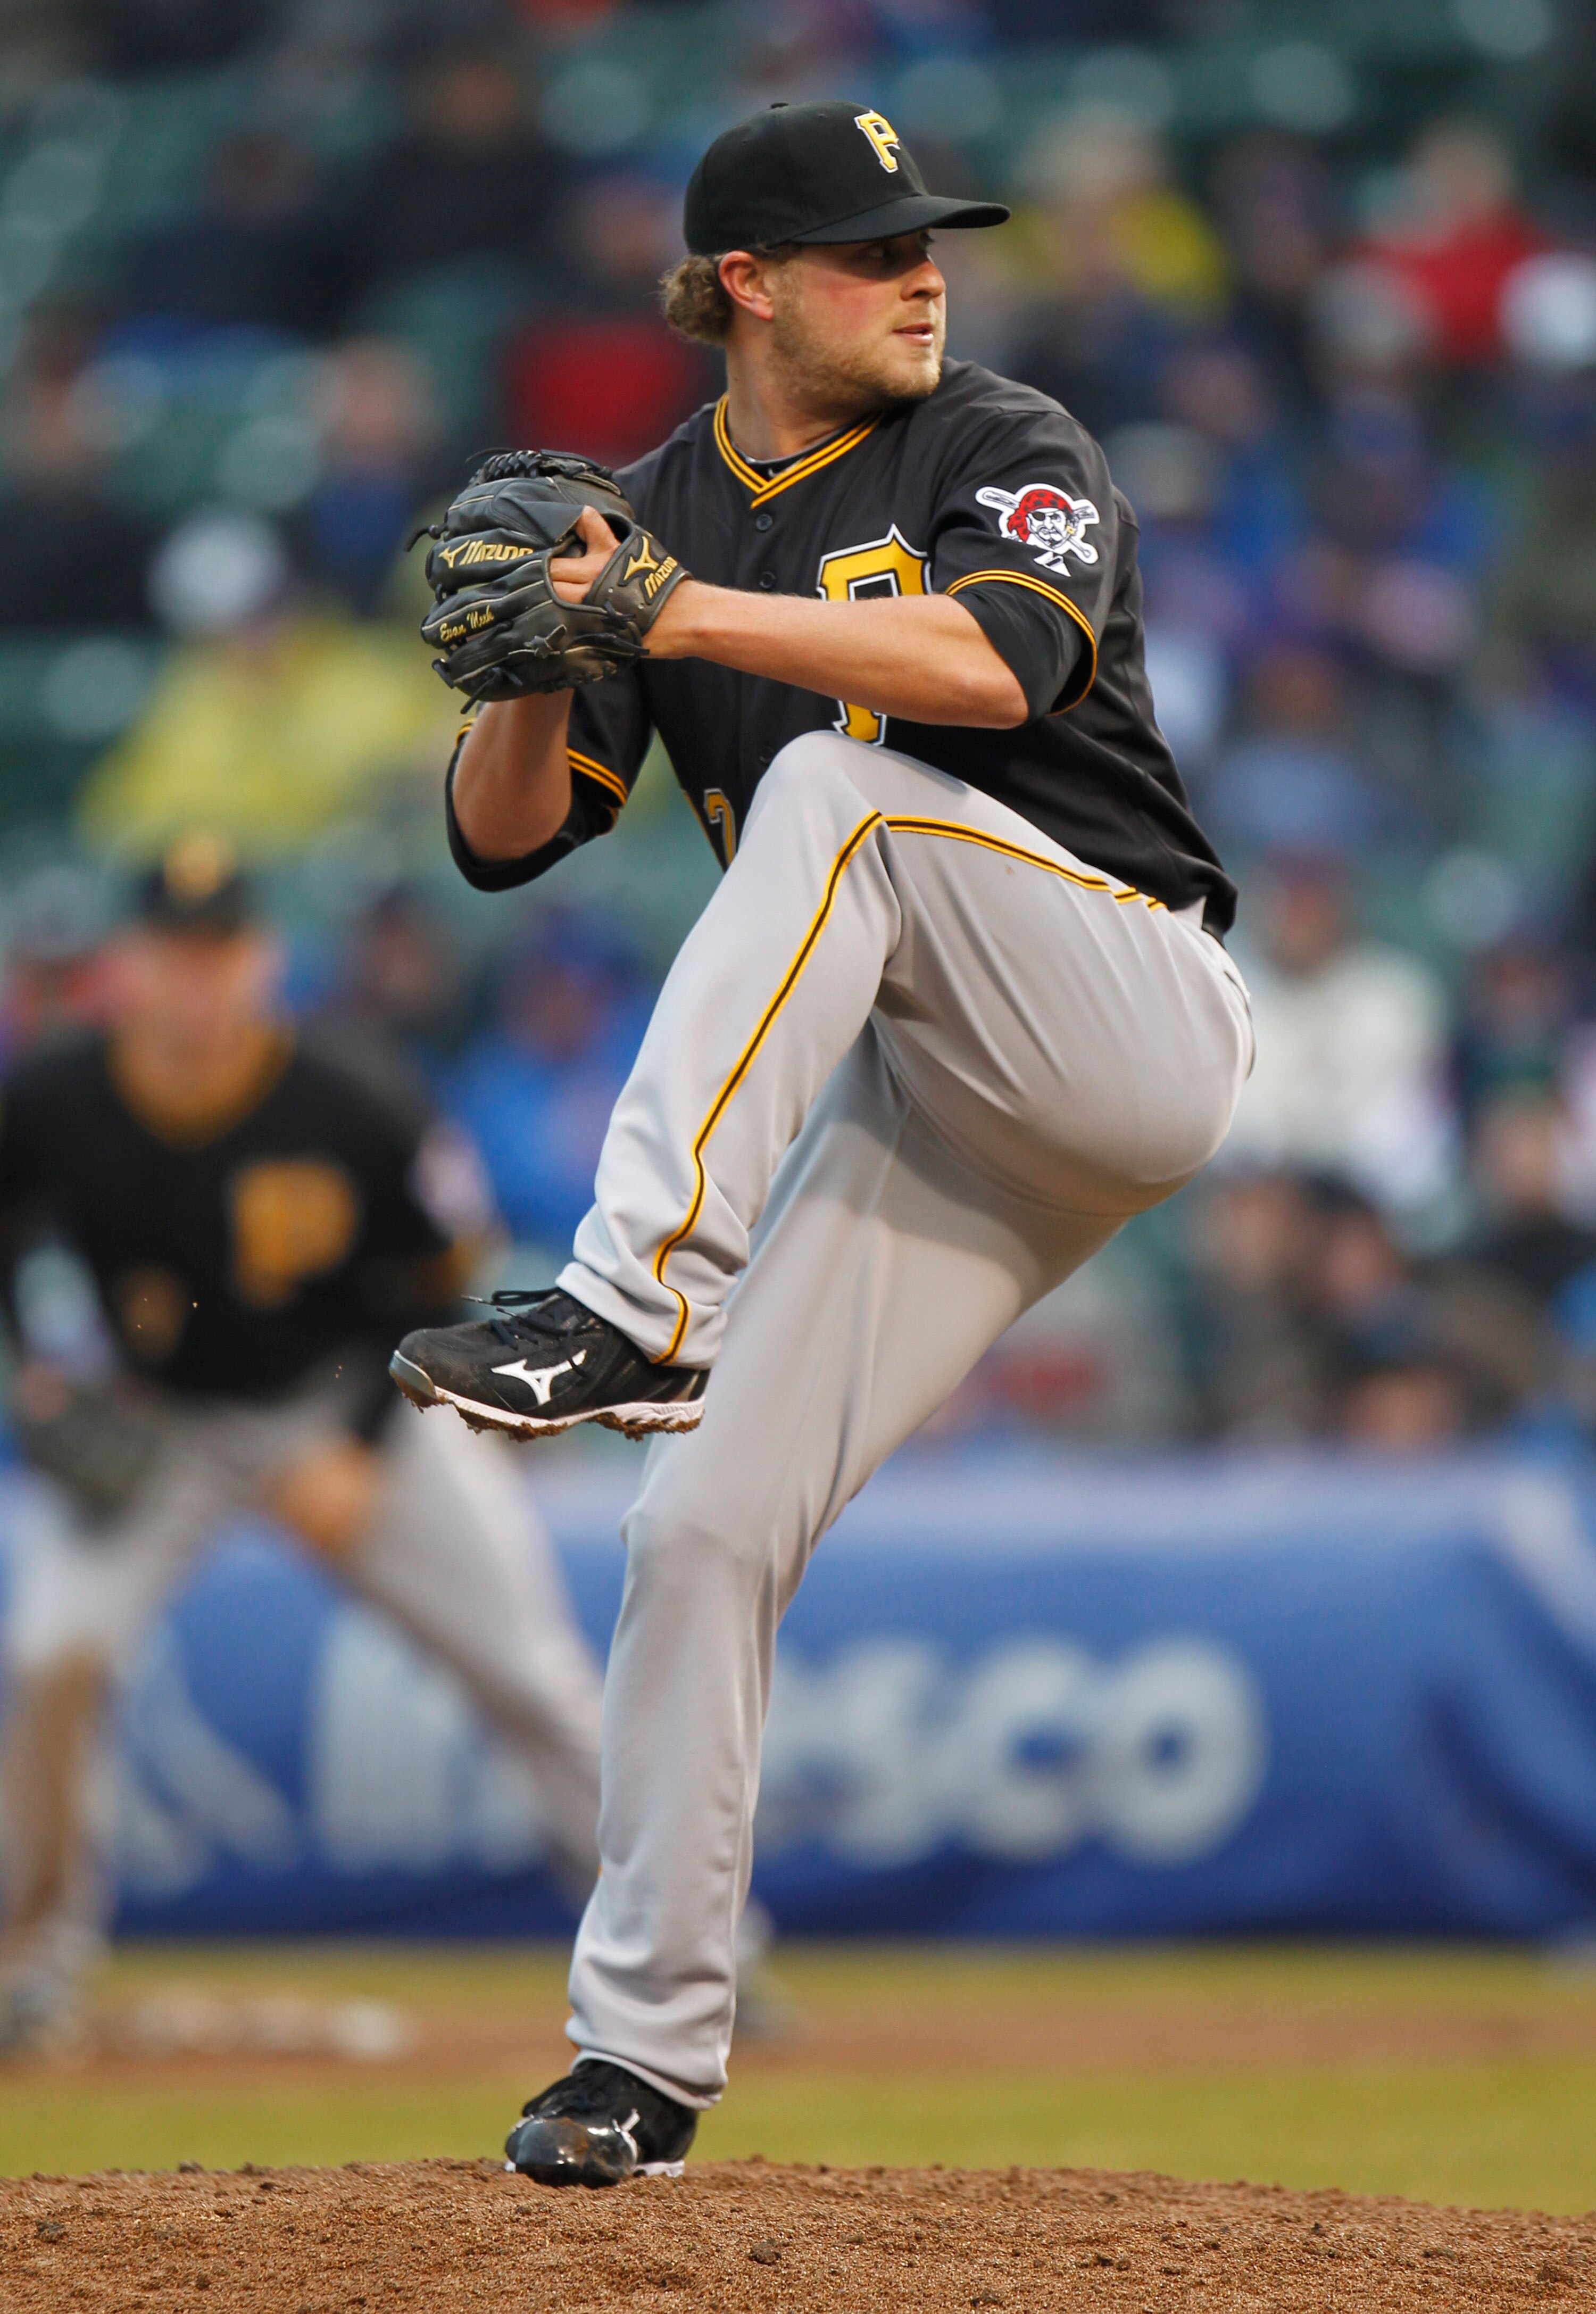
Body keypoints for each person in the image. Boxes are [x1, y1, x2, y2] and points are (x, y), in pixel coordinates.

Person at [393, 101, 1253, 2184]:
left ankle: (626, 1299)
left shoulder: (1002, 437)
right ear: (747, 284)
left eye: (930, 241)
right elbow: (511, 839)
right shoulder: (659, 508)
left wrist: (667, 616)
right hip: (942, 1106)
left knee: (836, 791)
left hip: (1124, 998)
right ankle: (640, 2061)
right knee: (694, 1535)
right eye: (875, 249)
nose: (924, 273)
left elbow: (993, 657)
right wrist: (534, 657)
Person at [0, 834, 605, 2051]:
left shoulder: (354, 1088)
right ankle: (35, 1958)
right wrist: (35, 1376)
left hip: (350, 1399)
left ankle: (689, 1952)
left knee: (532, 1673)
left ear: (263, 961)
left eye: (220, 951)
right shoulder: (56, 1092)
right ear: (128, 967)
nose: (196, 979)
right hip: (160, 1417)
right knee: (52, 1656)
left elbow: (450, 1271)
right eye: (172, 953)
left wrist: (364, 1434)